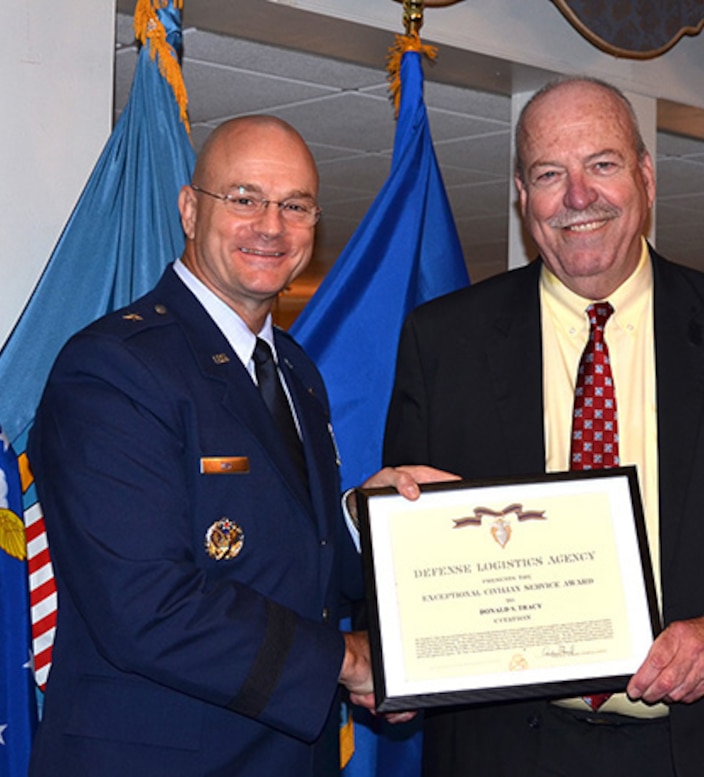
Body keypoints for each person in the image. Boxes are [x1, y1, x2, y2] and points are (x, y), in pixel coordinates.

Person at [383, 78, 704, 776]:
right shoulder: (442, 340)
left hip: (697, 746)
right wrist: (397, 605)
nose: (578, 196)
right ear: (521, 197)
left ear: (645, 178)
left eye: (601, 164)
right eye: (550, 173)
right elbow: (412, 527)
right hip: (504, 748)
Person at [28, 115, 425, 777]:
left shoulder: (295, 370)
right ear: (189, 210)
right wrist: (350, 661)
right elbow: (149, 605)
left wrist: (363, 521)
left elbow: (293, 564)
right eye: (243, 198)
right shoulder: (112, 368)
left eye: (295, 205)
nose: (271, 226)